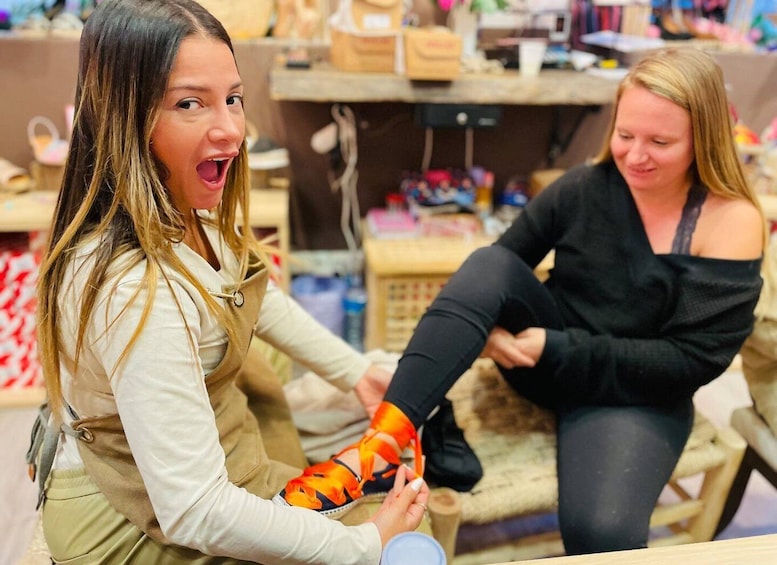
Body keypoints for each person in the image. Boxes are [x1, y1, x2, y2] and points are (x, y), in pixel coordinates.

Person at [275, 48, 769, 554]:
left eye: (660, 142)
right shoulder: (583, 188)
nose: (635, 156)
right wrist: (489, 332)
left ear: (702, 140)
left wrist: (557, 348)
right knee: (489, 264)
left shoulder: (731, 222)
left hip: (638, 389)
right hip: (541, 365)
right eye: (625, 135)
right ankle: (380, 445)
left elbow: (692, 360)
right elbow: (498, 269)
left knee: (604, 535)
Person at [29, 1, 429, 563]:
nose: (231, 130)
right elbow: (195, 508)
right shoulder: (133, 291)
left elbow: (254, 298)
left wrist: (357, 372)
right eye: (190, 103)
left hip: (194, 455)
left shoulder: (185, 208)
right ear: (125, 117)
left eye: (233, 99)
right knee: (408, 535)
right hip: (123, 516)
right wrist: (363, 545)